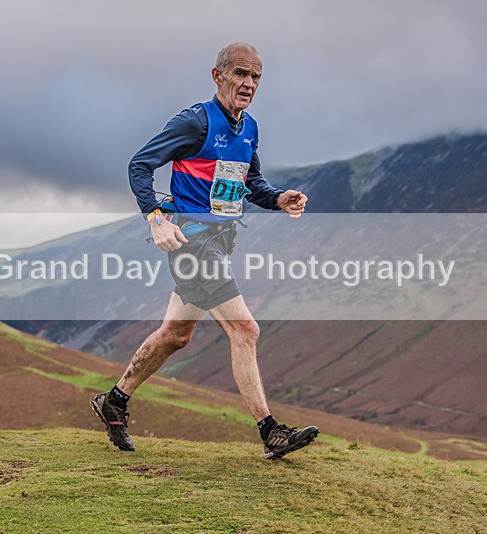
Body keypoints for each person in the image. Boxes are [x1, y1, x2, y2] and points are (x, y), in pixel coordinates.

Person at [91, 43, 319, 460]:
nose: (248, 84)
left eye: (256, 77)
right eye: (240, 74)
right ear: (218, 76)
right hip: (191, 242)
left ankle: (115, 401)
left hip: (221, 242)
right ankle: (271, 432)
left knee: (176, 335)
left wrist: (278, 199)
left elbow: (251, 182)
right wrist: (155, 217)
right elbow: (139, 165)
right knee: (245, 330)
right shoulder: (195, 122)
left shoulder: (248, 128)